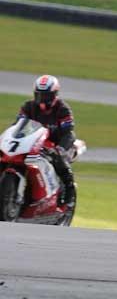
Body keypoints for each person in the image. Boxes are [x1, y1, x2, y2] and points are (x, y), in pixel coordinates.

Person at [17, 75, 77, 206]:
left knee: (58, 158)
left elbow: (68, 131)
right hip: (35, 142)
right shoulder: (28, 106)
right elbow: (18, 125)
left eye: (46, 95)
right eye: (39, 95)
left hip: (57, 141)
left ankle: (70, 189)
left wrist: (59, 149)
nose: (42, 99)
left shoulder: (63, 108)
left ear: (55, 94)